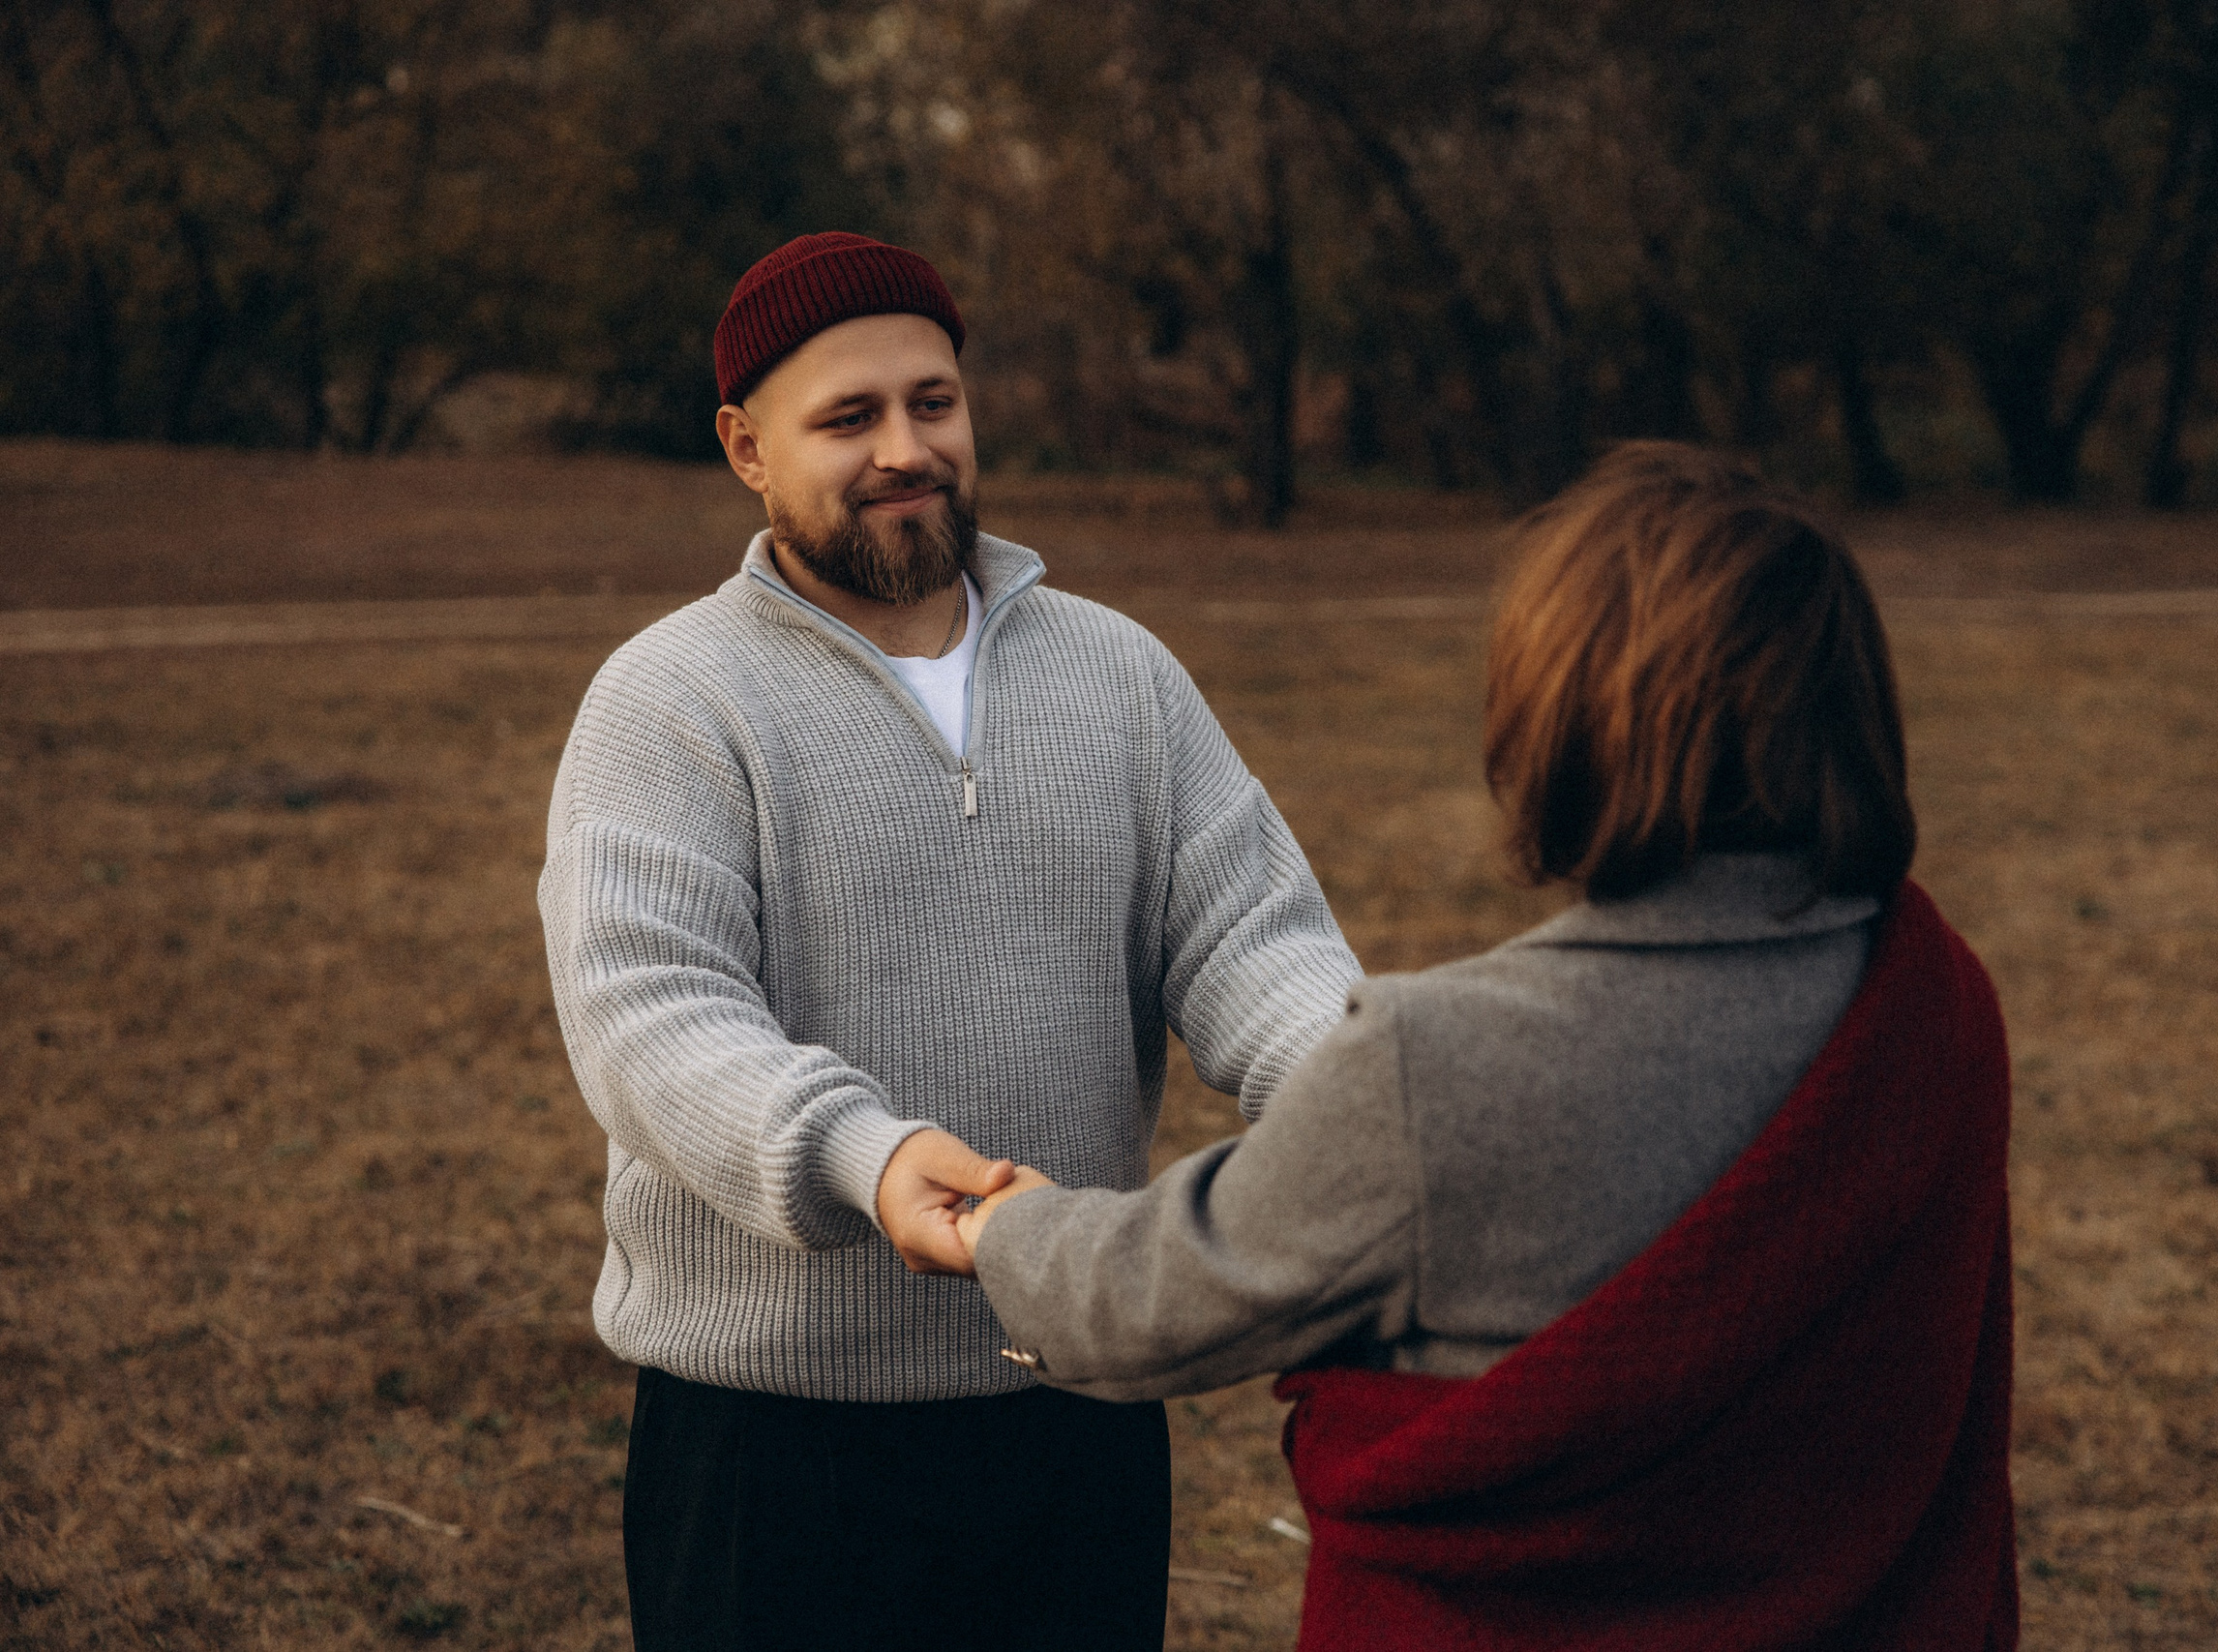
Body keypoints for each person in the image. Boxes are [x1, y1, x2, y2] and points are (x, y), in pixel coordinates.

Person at [961, 442, 2021, 1650]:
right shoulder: (1935, 999)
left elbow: (1153, 1297)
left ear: (1565, 720)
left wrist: (996, 1229)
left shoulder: (1438, 1064)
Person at [536, 231, 1361, 1651]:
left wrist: (1366, 1091)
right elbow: (651, 1016)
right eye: (847, 417)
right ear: (745, 445)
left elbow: (1256, 940)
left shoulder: (1121, 674)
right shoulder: (670, 697)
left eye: (933, 402)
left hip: (1076, 1406)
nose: (904, 449)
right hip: (775, 1442)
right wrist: (864, 1152)